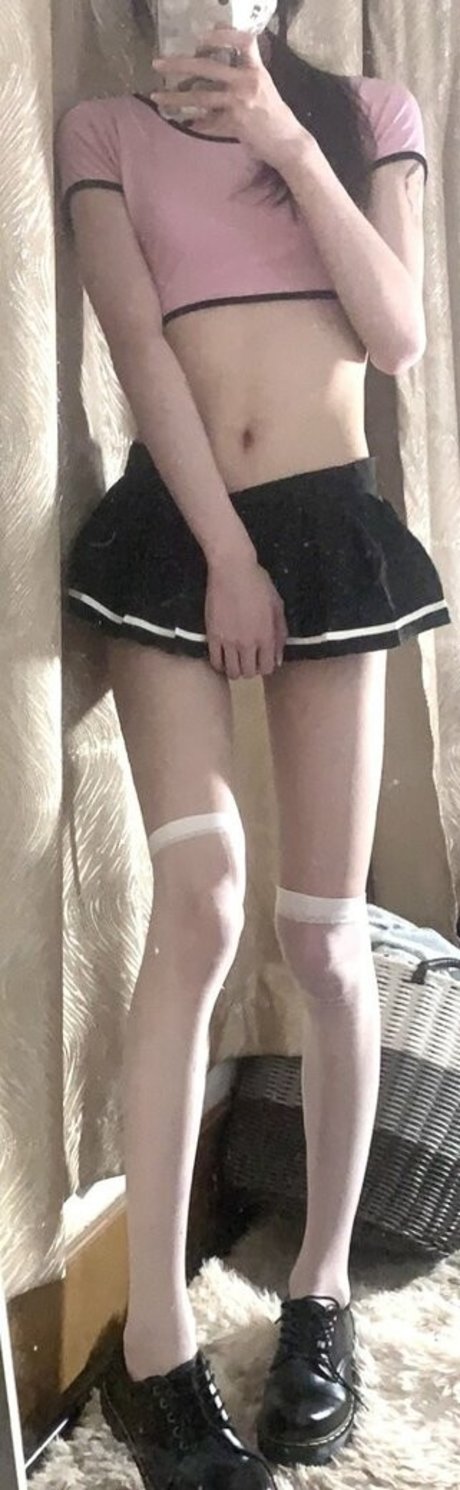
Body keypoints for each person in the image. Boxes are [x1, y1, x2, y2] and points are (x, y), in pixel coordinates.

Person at [55, 2, 450, 1486]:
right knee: (202, 907)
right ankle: (156, 1346)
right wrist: (225, 557)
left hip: (334, 531)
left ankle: (321, 1293)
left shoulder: (371, 118)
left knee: (326, 937)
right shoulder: (102, 131)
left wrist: (287, 139)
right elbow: (134, 344)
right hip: (177, 537)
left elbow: (398, 334)